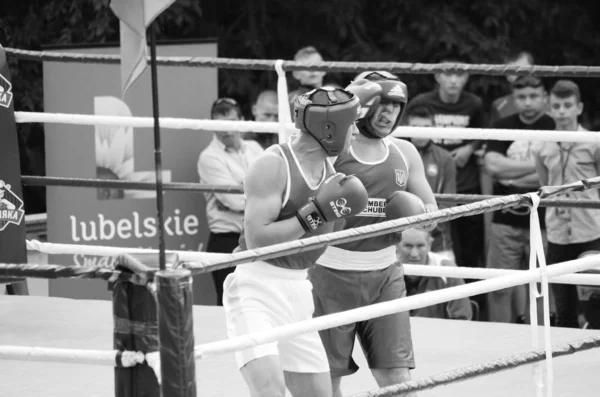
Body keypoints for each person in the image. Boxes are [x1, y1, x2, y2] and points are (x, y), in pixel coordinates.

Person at [223, 86, 371, 397]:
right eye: (352, 124)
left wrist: (386, 212)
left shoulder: (332, 175)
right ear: (329, 129)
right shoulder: (274, 164)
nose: (356, 132)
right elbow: (257, 238)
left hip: (299, 291)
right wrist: (314, 213)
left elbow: (328, 235)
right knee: (270, 393)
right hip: (256, 287)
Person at [309, 71, 438, 397]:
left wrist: (413, 216)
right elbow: (299, 207)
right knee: (326, 380)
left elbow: (433, 217)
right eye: (381, 105)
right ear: (361, 106)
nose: (389, 114)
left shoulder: (405, 153)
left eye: (396, 107)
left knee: (397, 377)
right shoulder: (329, 152)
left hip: (385, 276)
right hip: (328, 275)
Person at [484, 76, 555, 324]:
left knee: (543, 285)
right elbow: (492, 165)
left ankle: (541, 343)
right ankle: (500, 345)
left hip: (545, 222)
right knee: (499, 287)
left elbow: (551, 173)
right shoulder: (502, 125)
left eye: (534, 96)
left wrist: (512, 178)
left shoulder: (555, 126)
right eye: (522, 97)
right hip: (505, 219)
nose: (528, 102)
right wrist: (536, 167)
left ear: (544, 97)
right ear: (515, 99)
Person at [533, 79, 600, 328]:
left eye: (567, 105)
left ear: (579, 108)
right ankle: (564, 365)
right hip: (558, 233)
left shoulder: (594, 142)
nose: (562, 111)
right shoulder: (541, 146)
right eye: (557, 106)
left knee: (595, 302)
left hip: (590, 230)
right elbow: (544, 186)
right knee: (563, 308)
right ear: (549, 109)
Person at [197, 97, 264, 306]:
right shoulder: (209, 157)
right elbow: (234, 201)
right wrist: (266, 199)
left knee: (260, 302)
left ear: (242, 120)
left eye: (231, 122)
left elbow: (276, 185)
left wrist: (244, 188)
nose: (227, 130)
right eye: (220, 124)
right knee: (230, 305)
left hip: (258, 236)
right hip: (227, 239)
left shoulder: (254, 147)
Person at [403, 105, 456, 260]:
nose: (421, 131)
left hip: (439, 239)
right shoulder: (395, 153)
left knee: (451, 281)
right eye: (416, 127)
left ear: (433, 128)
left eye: (426, 127)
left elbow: (449, 204)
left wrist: (424, 228)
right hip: (399, 238)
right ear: (407, 127)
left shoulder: (445, 158)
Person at [399, 228, 472, 320]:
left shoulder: (447, 271)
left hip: (441, 333)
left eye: (420, 246)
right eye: (408, 246)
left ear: (429, 245)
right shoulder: (384, 271)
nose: (414, 254)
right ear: (396, 246)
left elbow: (462, 319)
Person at [489, 51, 536, 125]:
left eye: (524, 70)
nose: (521, 75)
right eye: (516, 71)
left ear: (534, 71)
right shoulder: (499, 106)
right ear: (508, 76)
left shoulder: (550, 104)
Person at [288, 46, 326, 118]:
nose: (312, 70)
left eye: (316, 65)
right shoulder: (288, 100)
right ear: (296, 73)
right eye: (306, 66)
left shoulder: (334, 96)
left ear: (325, 69)